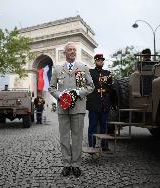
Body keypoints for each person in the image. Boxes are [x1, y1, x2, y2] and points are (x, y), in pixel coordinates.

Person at [49, 42, 94, 177]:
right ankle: (66, 164)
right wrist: (60, 95)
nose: (72, 52)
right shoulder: (57, 69)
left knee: (77, 137)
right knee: (64, 137)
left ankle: (76, 165)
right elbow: (51, 88)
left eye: (74, 49)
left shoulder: (83, 68)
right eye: (69, 50)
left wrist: (78, 93)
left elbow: (90, 86)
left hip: (78, 107)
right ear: (65, 52)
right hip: (63, 109)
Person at [86, 54, 112, 151]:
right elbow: (86, 86)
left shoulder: (107, 73)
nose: (100, 62)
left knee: (104, 127)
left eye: (102, 60)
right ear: (95, 61)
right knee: (92, 127)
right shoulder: (90, 72)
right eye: (98, 60)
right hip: (93, 104)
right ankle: (92, 146)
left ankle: (104, 146)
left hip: (104, 104)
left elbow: (110, 87)